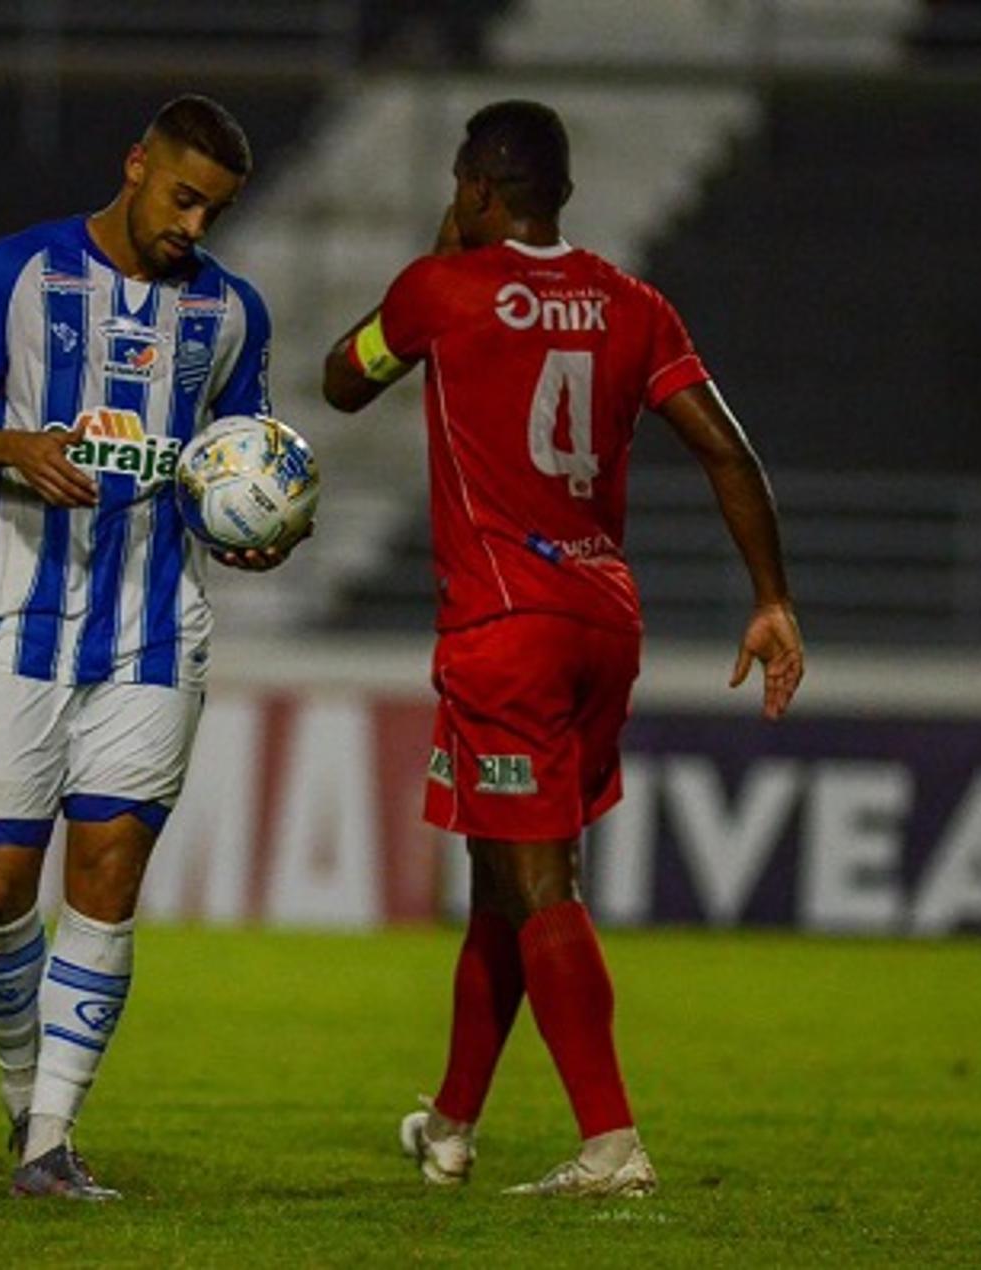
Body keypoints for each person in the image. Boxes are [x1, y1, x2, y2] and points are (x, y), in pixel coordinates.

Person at [321, 100, 804, 1197]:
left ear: (478, 192)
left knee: (538, 878)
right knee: (502, 873)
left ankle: (611, 1143)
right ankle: (449, 1124)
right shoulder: (636, 306)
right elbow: (728, 452)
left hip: (505, 627)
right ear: (566, 196)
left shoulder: (437, 292)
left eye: (462, 189)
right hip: (600, 618)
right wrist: (772, 596)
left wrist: (442, 253)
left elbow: (342, 379)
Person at [0, 94, 299, 1201]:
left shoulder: (233, 315)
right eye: (184, 199)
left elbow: (240, 461)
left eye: (215, 211)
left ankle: (50, 1142)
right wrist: (11, 447)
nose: (196, 228)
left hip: (155, 633)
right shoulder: (19, 274)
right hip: (19, 619)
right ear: (136, 167)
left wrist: (252, 528)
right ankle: (21, 1086)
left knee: (110, 873)